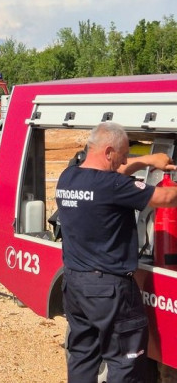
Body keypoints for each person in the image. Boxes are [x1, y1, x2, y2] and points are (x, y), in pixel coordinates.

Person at [55, 122, 177, 382]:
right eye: (123, 155)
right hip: (109, 290)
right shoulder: (112, 186)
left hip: (75, 284)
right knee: (125, 360)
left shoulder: (68, 177)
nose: (124, 161)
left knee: (82, 355)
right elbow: (166, 199)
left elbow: (114, 175)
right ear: (109, 152)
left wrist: (147, 160)